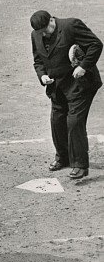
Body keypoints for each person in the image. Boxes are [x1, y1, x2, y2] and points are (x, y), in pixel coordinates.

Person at [30, 10, 103, 179]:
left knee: (74, 122)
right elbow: (38, 60)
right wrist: (42, 76)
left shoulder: (71, 26)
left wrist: (83, 66)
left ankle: (80, 165)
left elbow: (95, 44)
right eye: (40, 33)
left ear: (51, 21)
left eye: (45, 30)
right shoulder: (36, 35)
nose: (43, 35)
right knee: (57, 121)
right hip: (57, 86)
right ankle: (63, 157)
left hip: (80, 84)